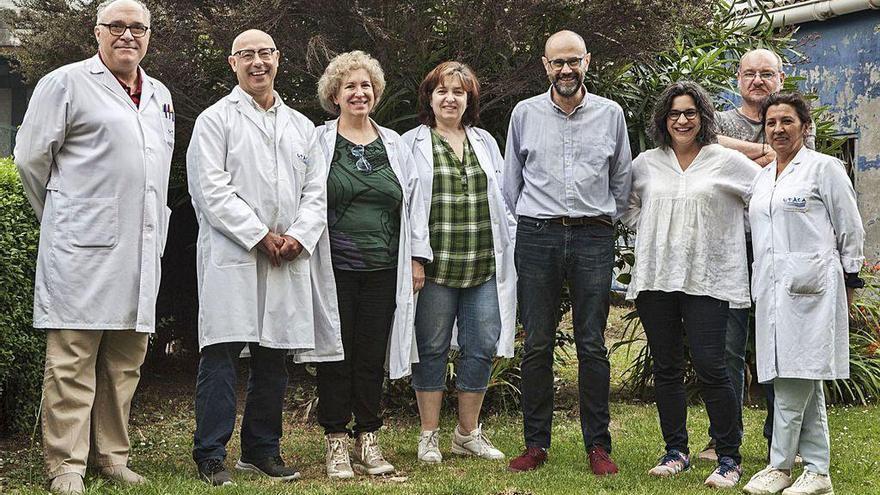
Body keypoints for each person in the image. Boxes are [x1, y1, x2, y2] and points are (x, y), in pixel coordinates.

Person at [13, 1, 173, 492]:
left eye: (138, 28)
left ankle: (112, 457)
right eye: (117, 27)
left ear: (148, 35)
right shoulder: (64, 83)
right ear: (97, 32)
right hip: (80, 247)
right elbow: (30, 160)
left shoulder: (159, 93)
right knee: (72, 360)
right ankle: (66, 465)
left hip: (140, 247)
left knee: (125, 362)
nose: (128, 36)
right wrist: (64, 217)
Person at [186, 29, 343, 486]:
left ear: (278, 59)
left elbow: (317, 192)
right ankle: (211, 453)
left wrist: (298, 235)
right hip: (233, 255)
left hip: (286, 257)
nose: (258, 63)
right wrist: (258, 235)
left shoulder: (299, 126)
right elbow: (210, 188)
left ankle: (260, 450)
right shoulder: (216, 120)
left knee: (272, 355)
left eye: (266, 54)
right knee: (220, 353)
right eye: (247, 55)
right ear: (233, 63)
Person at [503, 30, 632, 475]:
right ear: (545, 66)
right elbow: (510, 185)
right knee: (536, 342)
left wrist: (601, 223)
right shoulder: (524, 114)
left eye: (573, 61)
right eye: (557, 62)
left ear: (587, 62)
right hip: (537, 234)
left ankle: (598, 446)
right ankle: (536, 444)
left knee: (592, 343)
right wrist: (534, 221)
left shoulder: (611, 114)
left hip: (593, 235)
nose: (565, 70)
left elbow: (622, 180)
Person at [622, 81, 760, 489]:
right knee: (666, 368)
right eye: (674, 114)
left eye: (690, 113)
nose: (682, 120)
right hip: (657, 279)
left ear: (703, 118)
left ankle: (728, 457)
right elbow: (628, 206)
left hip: (709, 279)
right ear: (664, 120)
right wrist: (653, 232)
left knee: (712, 367)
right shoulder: (646, 163)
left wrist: (727, 235)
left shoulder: (724, 160)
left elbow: (763, 196)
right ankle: (675, 451)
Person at [314, 50, 432, 479]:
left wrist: (418, 258)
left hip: (385, 269)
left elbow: (414, 205)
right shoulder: (319, 141)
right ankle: (336, 443)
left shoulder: (395, 145)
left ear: (375, 92)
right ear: (335, 94)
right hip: (334, 269)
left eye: (366, 86)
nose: (359, 93)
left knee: (369, 355)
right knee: (334, 354)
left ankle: (368, 438)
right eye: (350, 86)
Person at [743, 92, 864, 495]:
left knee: (795, 376)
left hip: (813, 289)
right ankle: (817, 471)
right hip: (772, 290)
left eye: (787, 121)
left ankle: (780, 465)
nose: (778, 129)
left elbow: (850, 230)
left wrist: (851, 282)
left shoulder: (824, 169)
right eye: (771, 122)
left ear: (804, 126)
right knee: (800, 377)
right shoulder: (762, 178)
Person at [700, 48, 816, 463]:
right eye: (749, 74)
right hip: (731, 246)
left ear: (781, 78)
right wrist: (765, 152)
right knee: (728, 346)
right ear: (737, 79)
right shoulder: (725, 120)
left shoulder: (799, 118)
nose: (758, 81)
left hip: (779, 246)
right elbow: (710, 143)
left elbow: (798, 159)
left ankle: (779, 438)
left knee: (778, 342)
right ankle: (723, 438)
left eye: (767, 73)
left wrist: (746, 152)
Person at [401, 62, 517, 464]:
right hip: (434, 269)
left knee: (482, 347)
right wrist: (416, 258)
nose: (450, 98)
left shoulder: (485, 140)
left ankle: (467, 433)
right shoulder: (411, 143)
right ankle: (429, 435)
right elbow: (406, 210)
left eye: (459, 92)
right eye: (442, 91)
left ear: (469, 100)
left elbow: (504, 201)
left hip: (483, 265)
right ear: (429, 98)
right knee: (430, 349)